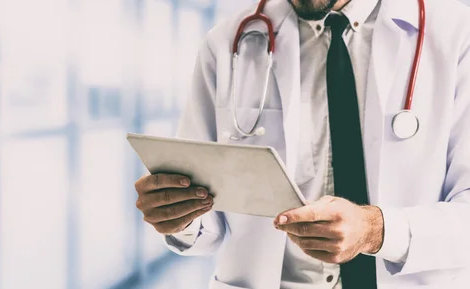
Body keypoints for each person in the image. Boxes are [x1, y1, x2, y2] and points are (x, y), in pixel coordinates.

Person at [133, 0, 470, 288]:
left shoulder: (456, 34)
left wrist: (376, 230)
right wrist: (180, 216)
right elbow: (209, 222)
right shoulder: (227, 43)